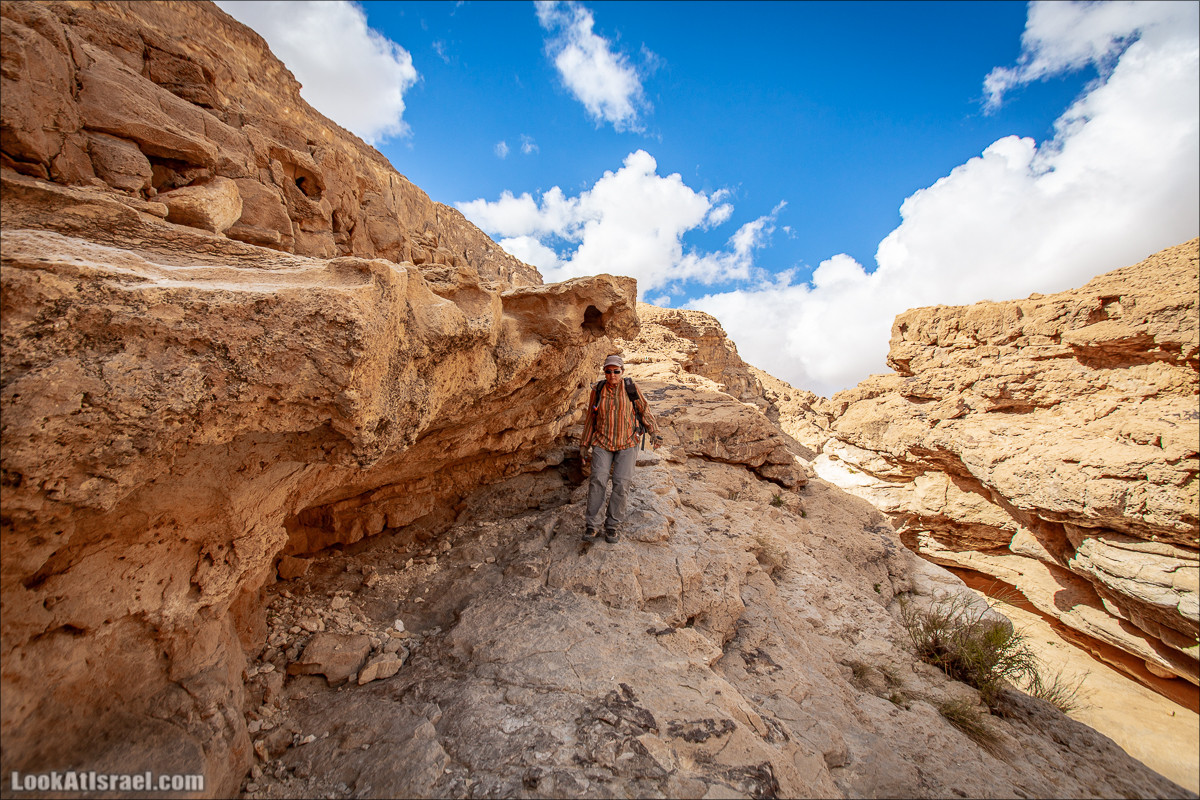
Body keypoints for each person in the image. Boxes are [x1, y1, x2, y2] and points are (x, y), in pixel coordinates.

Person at [579, 354, 662, 543]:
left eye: (616, 371)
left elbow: (644, 410)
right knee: (598, 479)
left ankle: (612, 526)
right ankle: (592, 526)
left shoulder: (631, 388)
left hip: (627, 442)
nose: (612, 375)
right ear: (605, 372)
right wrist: (584, 445)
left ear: (622, 372)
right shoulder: (598, 390)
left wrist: (654, 432)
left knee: (621, 483)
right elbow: (591, 419)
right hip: (602, 442)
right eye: (608, 371)